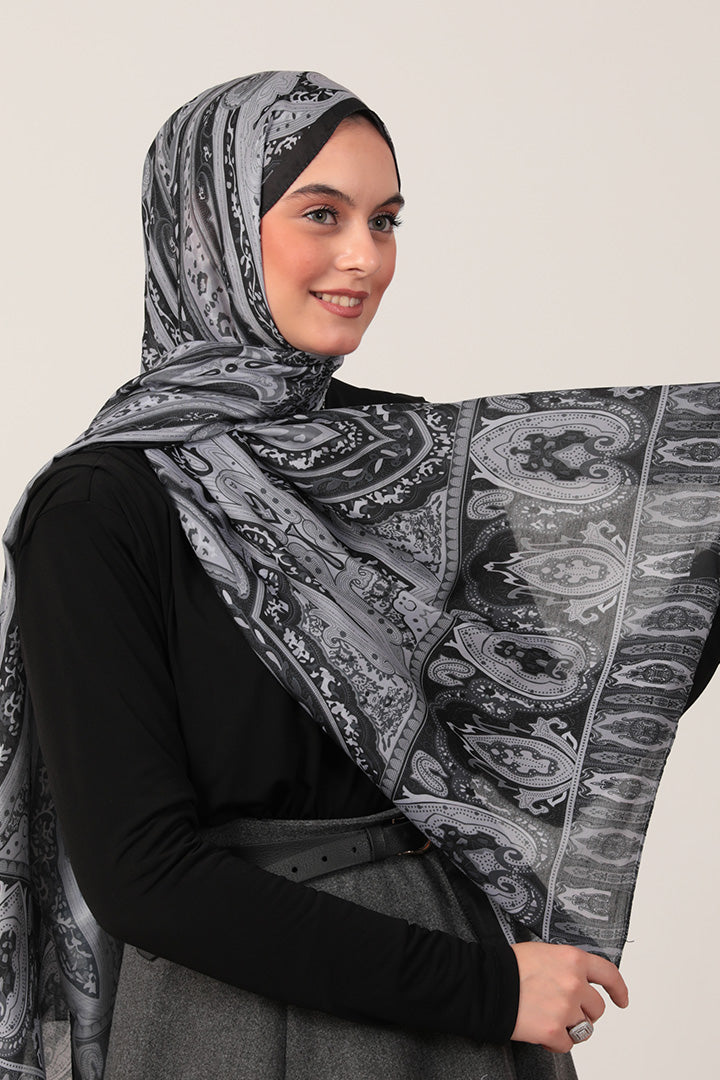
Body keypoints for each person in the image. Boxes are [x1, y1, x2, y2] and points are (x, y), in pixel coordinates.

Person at [10, 69, 719, 1080]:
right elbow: (142, 876)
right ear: (209, 229)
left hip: (469, 985)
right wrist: (488, 991)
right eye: (322, 214)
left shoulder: (397, 458)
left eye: (385, 221)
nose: (365, 258)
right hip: (259, 1018)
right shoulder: (99, 507)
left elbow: (560, 696)